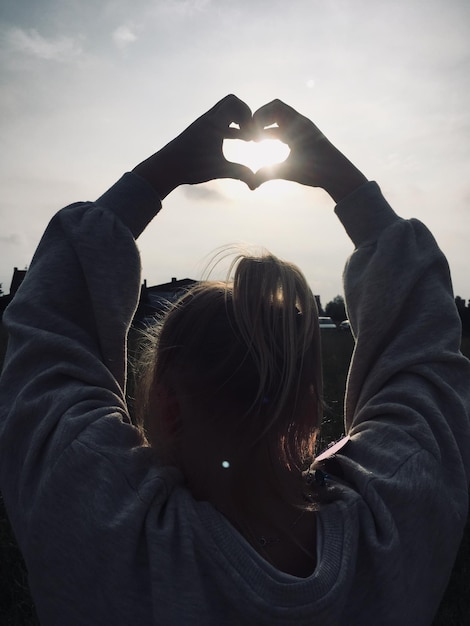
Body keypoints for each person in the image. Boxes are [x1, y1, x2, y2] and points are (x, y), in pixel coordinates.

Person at [0, 94, 469, 625]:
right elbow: (424, 350)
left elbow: (48, 331)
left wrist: (161, 173)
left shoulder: (100, 515)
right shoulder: (398, 514)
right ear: (312, 406)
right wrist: (345, 182)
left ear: (169, 405)